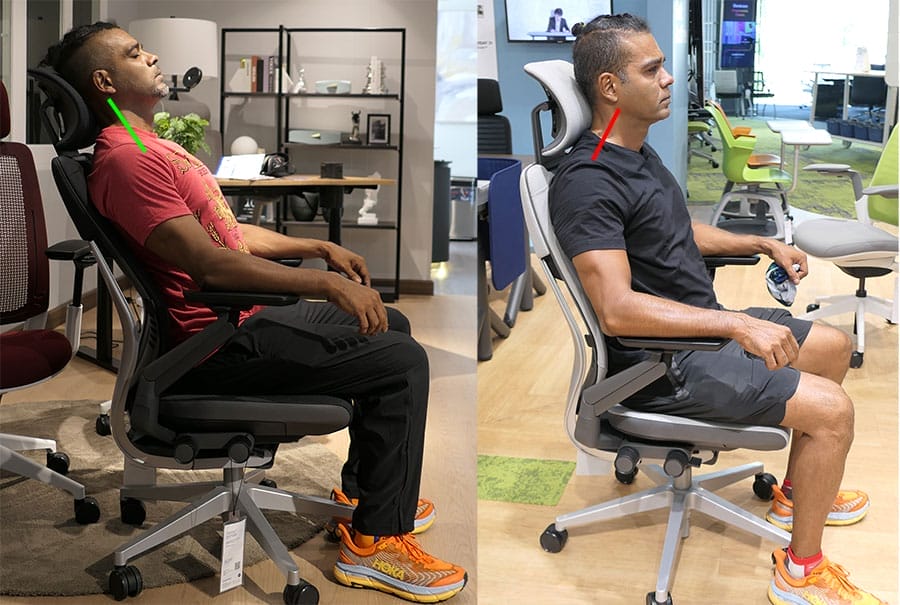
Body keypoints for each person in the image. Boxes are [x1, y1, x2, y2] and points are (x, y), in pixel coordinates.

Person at [42, 22, 466, 604]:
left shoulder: (149, 146)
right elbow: (209, 267)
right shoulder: (127, 162)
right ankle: (376, 543)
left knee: (388, 323)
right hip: (211, 346)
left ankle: (365, 494)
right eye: (136, 53)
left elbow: (226, 232)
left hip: (237, 322)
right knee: (401, 360)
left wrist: (316, 246)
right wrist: (323, 284)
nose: (154, 56)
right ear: (105, 80)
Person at [549, 14, 884, 605]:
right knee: (832, 410)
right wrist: (735, 322)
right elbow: (619, 311)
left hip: (697, 335)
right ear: (609, 87)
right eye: (651, 69)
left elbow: (676, 232)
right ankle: (799, 572)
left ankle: (795, 493)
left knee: (831, 347)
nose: (669, 79)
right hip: (661, 367)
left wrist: (761, 243)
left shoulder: (635, 155)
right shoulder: (588, 181)